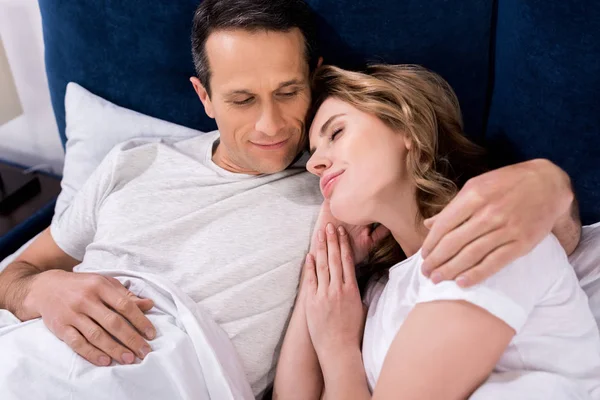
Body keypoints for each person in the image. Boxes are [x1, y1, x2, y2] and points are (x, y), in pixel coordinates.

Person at [0, 0, 582, 397]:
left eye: (289, 92)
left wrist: (552, 184)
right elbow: (14, 273)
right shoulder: (132, 162)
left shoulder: (339, 192)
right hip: (32, 352)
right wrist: (40, 290)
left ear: (315, 76)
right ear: (203, 96)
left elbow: (534, 237)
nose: (274, 125)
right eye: (242, 100)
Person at [274, 64, 600, 399]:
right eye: (313, 155)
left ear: (406, 128)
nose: (314, 165)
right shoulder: (378, 292)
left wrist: (340, 352)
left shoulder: (491, 233)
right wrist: (325, 252)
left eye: (336, 133)